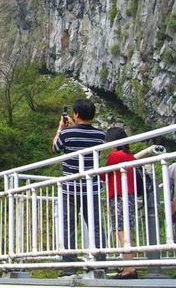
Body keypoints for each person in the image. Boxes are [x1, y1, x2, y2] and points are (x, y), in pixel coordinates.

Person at [52, 99, 106, 276]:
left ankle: (69, 266)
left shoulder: (67, 133)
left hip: (71, 187)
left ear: (76, 114)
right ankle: (100, 263)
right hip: (92, 187)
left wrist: (61, 128)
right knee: (96, 225)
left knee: (69, 225)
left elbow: (55, 148)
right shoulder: (101, 135)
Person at [103, 127, 137, 279]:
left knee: (121, 230)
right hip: (129, 196)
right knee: (126, 230)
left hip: (117, 196)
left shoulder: (115, 156)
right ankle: (130, 266)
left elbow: (103, 175)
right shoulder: (131, 156)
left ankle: (129, 269)